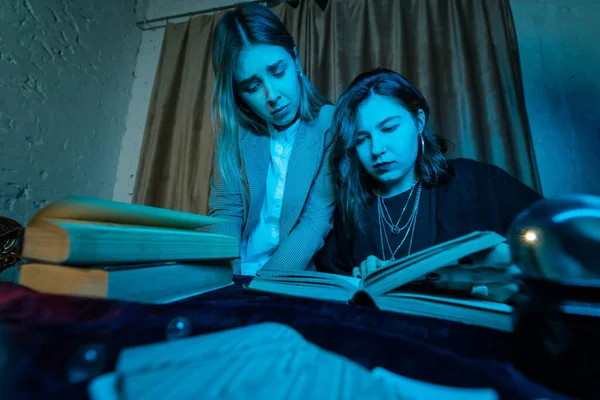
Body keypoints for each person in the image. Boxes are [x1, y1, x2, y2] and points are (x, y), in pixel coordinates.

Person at [315, 68, 543, 299]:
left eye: (390, 128)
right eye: (362, 139)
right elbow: (334, 288)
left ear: (419, 121)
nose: (377, 149)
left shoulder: (478, 181)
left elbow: (552, 240)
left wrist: (506, 265)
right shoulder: (350, 211)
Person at [203, 3, 335, 276]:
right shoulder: (236, 133)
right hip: (233, 271)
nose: (271, 95)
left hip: (288, 278)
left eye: (277, 72)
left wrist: (260, 286)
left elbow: (315, 221)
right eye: (252, 86)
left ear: (295, 59)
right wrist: (228, 280)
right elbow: (225, 212)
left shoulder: (330, 125)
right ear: (239, 95)